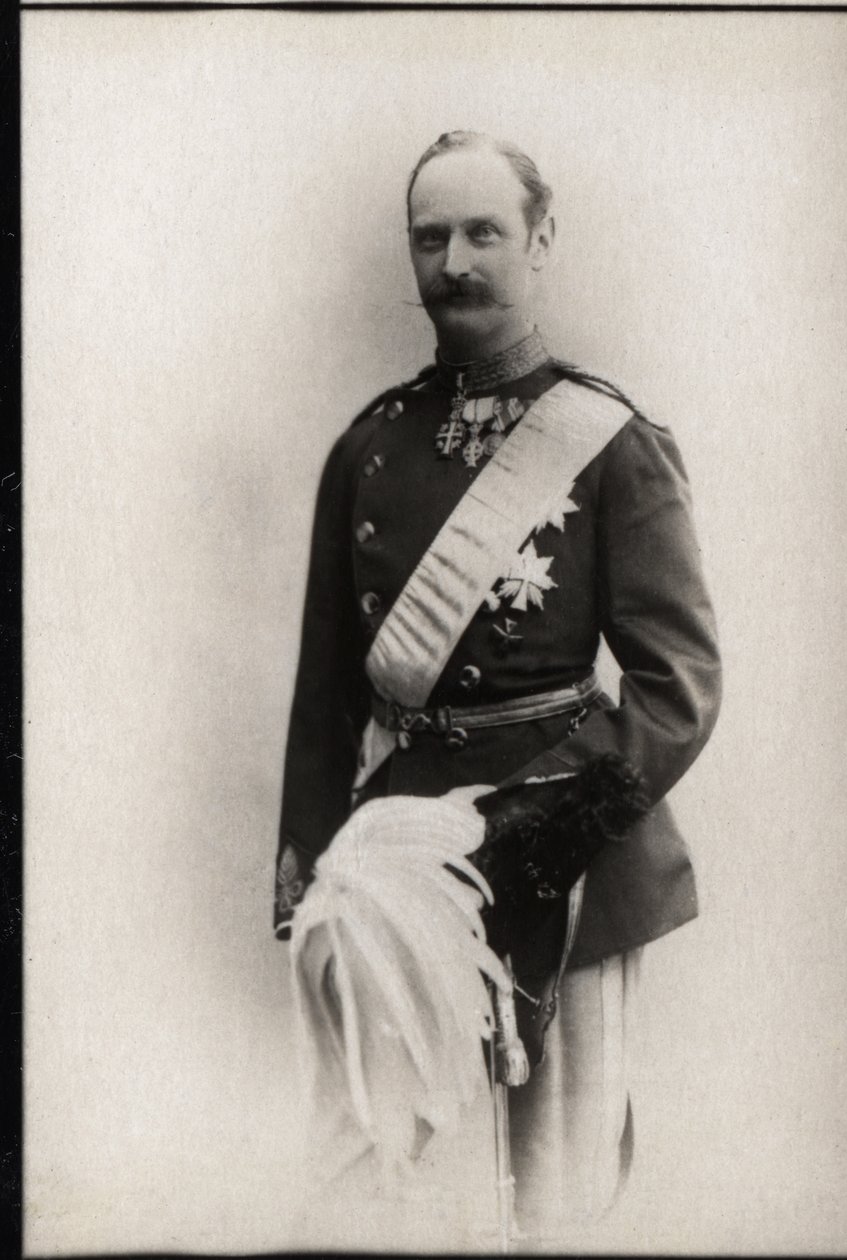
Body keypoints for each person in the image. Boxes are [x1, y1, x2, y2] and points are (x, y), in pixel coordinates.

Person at [274, 130, 722, 1244]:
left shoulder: (609, 441)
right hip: (400, 865)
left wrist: (538, 833)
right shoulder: (369, 447)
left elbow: (677, 687)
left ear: (540, 239)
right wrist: (313, 866)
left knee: (556, 1198)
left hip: (564, 857)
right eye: (431, 238)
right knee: (402, 1194)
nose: (457, 262)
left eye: (484, 232)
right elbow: (326, 695)